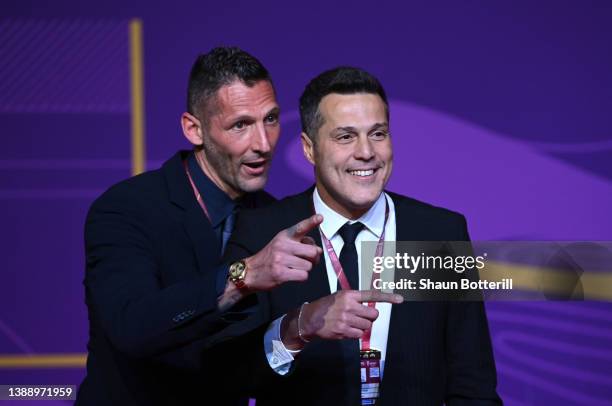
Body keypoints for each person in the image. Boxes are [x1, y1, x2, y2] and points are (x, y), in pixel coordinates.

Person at [225, 67, 502, 405]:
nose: (366, 152)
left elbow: (473, 385)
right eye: (345, 136)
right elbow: (229, 376)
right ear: (309, 149)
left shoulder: (439, 232)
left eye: (378, 133)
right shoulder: (264, 232)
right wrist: (298, 327)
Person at [77, 47, 325, 405]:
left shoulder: (276, 219)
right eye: (241, 125)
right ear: (194, 129)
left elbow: (243, 365)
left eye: (270, 119)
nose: (263, 144)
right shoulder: (126, 208)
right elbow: (132, 328)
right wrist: (244, 275)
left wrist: (299, 330)